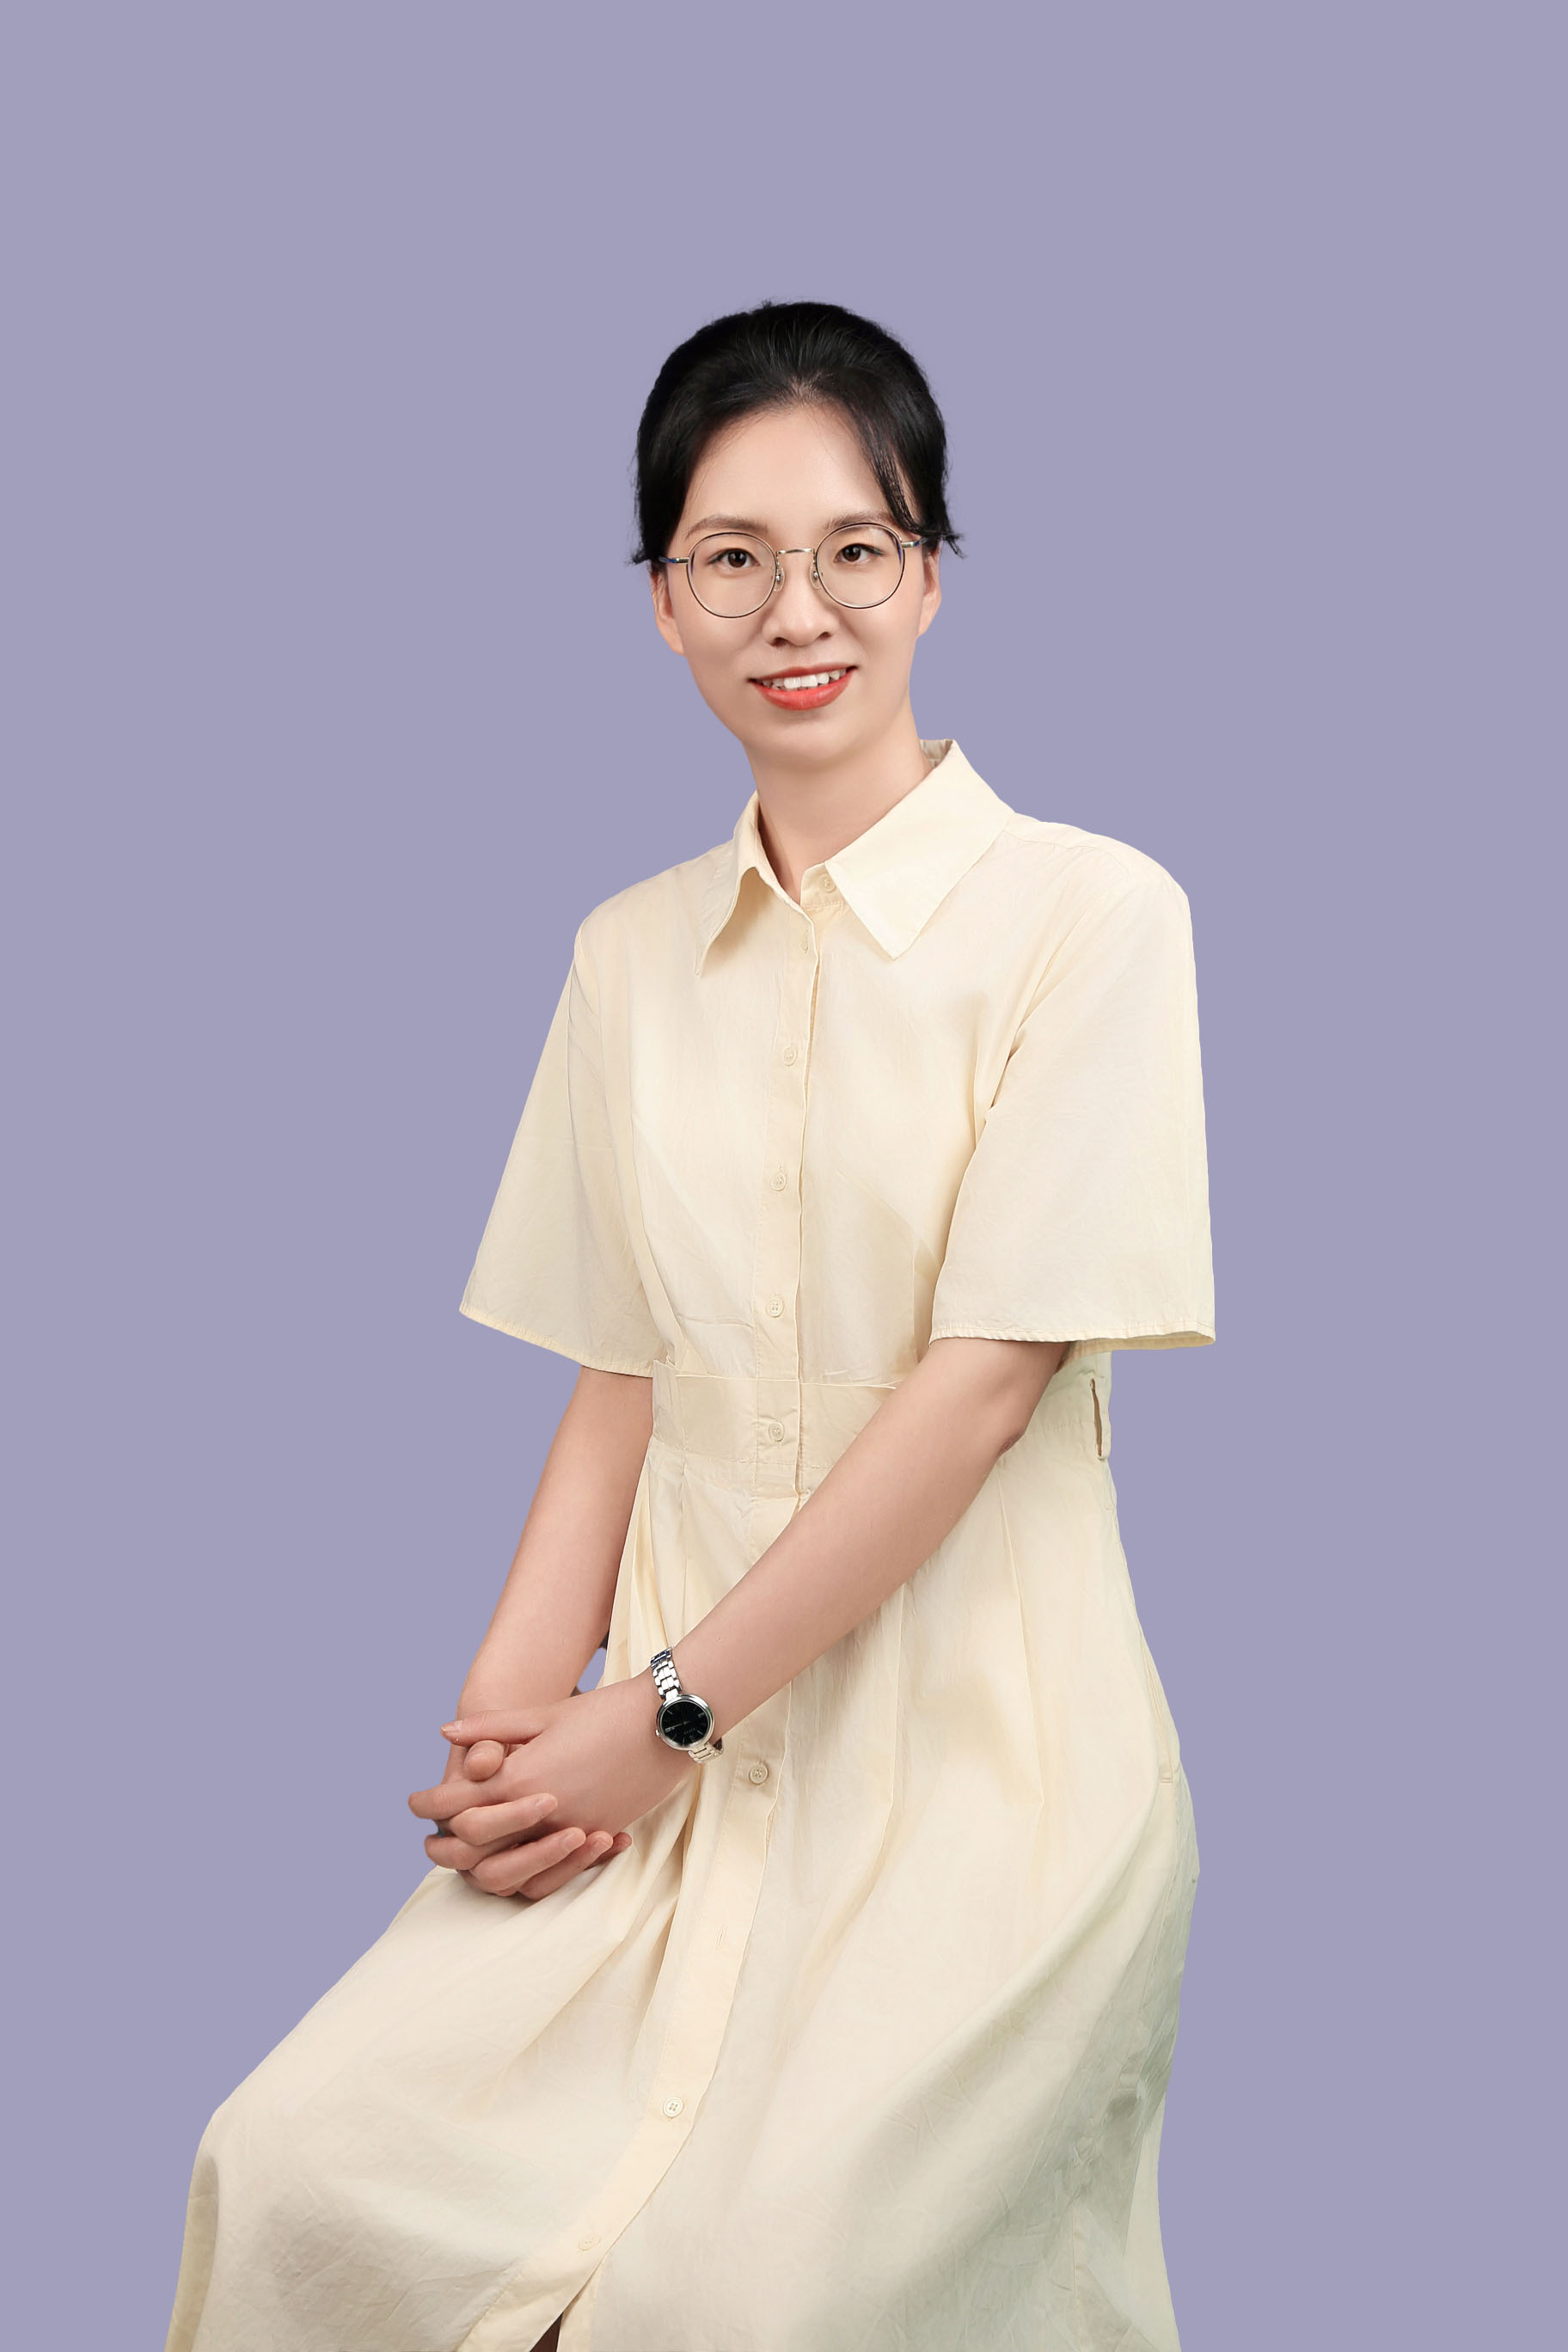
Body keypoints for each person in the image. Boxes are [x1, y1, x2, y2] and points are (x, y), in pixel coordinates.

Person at [165, 298, 1214, 2352]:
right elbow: (622, 1374)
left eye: (855, 549)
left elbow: (981, 1395)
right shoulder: (627, 957)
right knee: (288, 2170)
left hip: (979, 1784)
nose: (794, 612)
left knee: (738, 2300)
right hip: (650, 1765)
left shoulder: (1094, 919)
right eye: (730, 557)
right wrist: (507, 1722)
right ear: (661, 600)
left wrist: (650, 1722)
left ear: (931, 575)